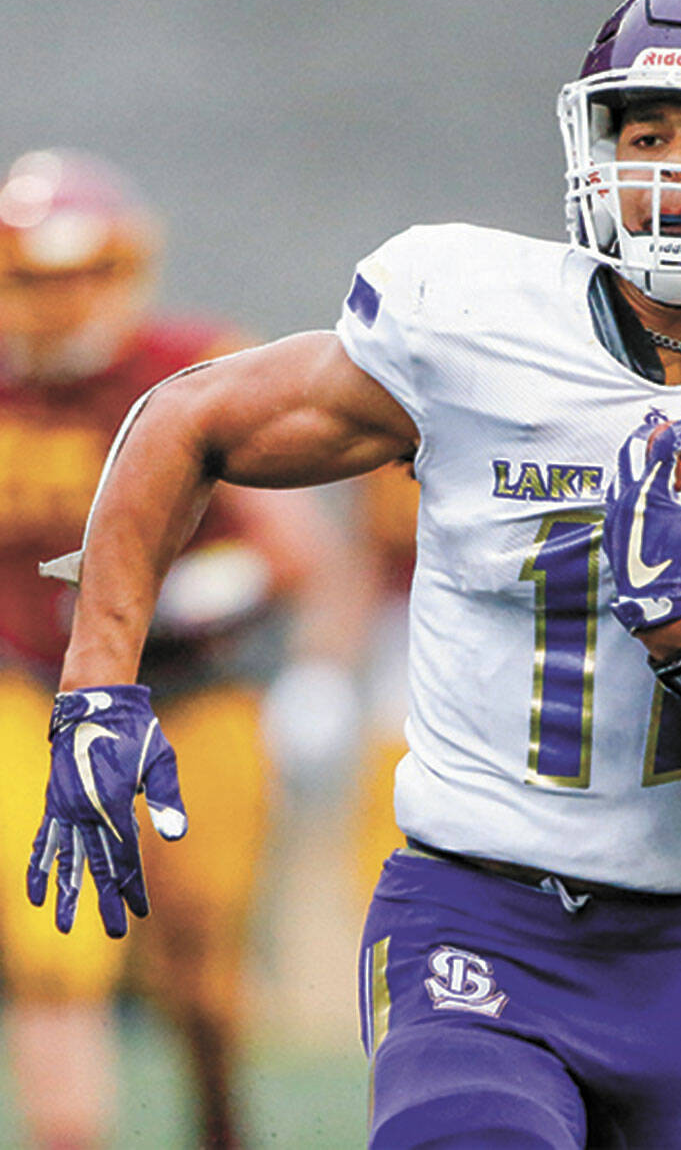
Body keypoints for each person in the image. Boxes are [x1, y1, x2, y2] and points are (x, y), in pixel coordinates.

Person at [23, 0, 681, 1145]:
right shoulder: (473, 317)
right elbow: (185, 420)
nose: (675, 173)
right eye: (646, 136)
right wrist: (97, 685)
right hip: (472, 916)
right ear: (594, 144)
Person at [0, 147, 371, 1148]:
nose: (60, 303)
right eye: (34, 279)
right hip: (33, 686)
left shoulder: (184, 369)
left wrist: (298, 662)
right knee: (51, 943)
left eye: (81, 275)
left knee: (202, 972)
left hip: (191, 694)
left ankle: (218, 1126)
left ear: (125, 273)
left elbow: (298, 554)